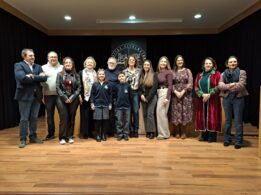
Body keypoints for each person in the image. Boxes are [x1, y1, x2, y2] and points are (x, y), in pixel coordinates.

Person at [14, 48, 47, 148]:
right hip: (24, 96)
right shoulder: (18, 65)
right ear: (24, 56)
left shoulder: (38, 66)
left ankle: (33, 136)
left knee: (34, 118)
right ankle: (23, 138)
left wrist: (32, 76)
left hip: (36, 96)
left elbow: (44, 78)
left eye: (33, 55)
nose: (33, 57)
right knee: (24, 118)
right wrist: (37, 77)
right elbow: (22, 78)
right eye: (30, 55)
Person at [218, 56, 249, 149]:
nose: (233, 63)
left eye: (234, 61)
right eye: (231, 62)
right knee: (228, 121)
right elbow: (220, 85)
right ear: (227, 64)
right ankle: (227, 139)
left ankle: (239, 141)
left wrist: (228, 87)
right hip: (227, 99)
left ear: (237, 63)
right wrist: (230, 85)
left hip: (238, 99)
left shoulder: (242, 72)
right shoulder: (223, 74)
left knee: (238, 121)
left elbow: (242, 85)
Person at [194, 57, 221, 142]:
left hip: (213, 99)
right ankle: (204, 135)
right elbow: (196, 87)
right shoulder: (199, 75)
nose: (208, 65)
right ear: (203, 65)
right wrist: (202, 94)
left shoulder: (217, 74)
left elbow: (218, 86)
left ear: (213, 65)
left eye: (210, 63)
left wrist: (210, 94)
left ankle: (212, 136)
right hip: (201, 99)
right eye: (206, 63)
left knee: (212, 117)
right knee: (203, 116)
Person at [56, 57, 81, 144]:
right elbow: (57, 87)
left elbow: (79, 88)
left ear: (72, 64)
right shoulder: (59, 74)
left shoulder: (76, 75)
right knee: (64, 117)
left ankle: (70, 136)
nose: (68, 64)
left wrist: (72, 97)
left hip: (73, 99)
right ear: (63, 64)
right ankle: (62, 137)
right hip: (61, 99)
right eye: (66, 62)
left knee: (71, 117)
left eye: (69, 62)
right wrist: (65, 98)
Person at [170, 55, 193, 139]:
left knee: (184, 113)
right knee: (176, 113)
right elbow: (170, 84)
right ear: (175, 62)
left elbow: (190, 83)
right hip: (175, 96)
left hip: (185, 96)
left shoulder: (188, 71)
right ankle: (176, 132)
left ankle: (184, 132)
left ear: (183, 61)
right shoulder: (172, 71)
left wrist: (183, 91)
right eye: (178, 60)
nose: (180, 62)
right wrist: (175, 92)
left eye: (181, 60)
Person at [42, 51, 63, 140]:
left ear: (57, 58)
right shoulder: (43, 67)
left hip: (60, 95)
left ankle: (62, 134)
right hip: (48, 95)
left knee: (62, 114)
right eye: (51, 57)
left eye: (55, 57)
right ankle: (51, 133)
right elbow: (40, 82)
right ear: (48, 58)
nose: (53, 58)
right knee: (50, 116)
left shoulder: (62, 67)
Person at [90, 69, 112, 142]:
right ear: (97, 75)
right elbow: (92, 95)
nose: (101, 75)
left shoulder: (108, 84)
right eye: (100, 74)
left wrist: (110, 103)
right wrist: (92, 103)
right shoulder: (95, 84)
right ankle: (98, 135)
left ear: (105, 75)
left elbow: (110, 95)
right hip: (97, 105)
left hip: (106, 105)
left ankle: (103, 134)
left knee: (105, 121)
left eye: (103, 74)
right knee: (98, 121)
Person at [78, 56, 97, 139]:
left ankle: (91, 132)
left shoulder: (95, 73)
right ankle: (84, 133)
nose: (89, 63)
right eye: (88, 62)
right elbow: (78, 86)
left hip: (93, 97)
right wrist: (79, 95)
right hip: (84, 97)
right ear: (85, 64)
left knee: (92, 115)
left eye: (91, 62)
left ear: (94, 64)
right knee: (84, 115)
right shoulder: (81, 72)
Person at [123, 55, 141, 138]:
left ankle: (135, 130)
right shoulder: (124, 71)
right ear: (128, 61)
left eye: (133, 60)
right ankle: (129, 130)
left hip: (135, 93)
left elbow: (141, 83)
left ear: (135, 62)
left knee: (136, 112)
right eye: (130, 60)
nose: (131, 61)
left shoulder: (139, 71)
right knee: (128, 113)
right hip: (127, 94)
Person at [139, 60, 158, 139]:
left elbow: (154, 88)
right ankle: (148, 131)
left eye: (148, 65)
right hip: (143, 98)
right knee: (145, 114)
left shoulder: (154, 75)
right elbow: (139, 88)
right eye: (145, 65)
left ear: (150, 66)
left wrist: (148, 98)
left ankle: (152, 132)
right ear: (143, 66)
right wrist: (141, 95)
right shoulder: (141, 75)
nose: (146, 66)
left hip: (152, 97)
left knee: (150, 114)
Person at [156, 56, 173, 140]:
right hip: (159, 92)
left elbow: (170, 86)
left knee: (161, 113)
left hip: (165, 92)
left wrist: (167, 97)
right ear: (159, 63)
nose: (163, 63)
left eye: (164, 62)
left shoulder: (168, 72)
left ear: (167, 64)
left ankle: (163, 134)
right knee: (161, 113)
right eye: (161, 61)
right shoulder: (158, 72)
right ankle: (165, 133)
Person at [115, 72, 132, 141]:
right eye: (120, 76)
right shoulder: (117, 86)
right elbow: (115, 96)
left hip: (127, 107)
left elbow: (130, 96)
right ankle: (119, 134)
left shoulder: (128, 86)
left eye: (122, 76)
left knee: (127, 121)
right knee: (119, 121)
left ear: (125, 77)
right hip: (118, 107)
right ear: (118, 78)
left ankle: (126, 134)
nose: (121, 77)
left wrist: (130, 105)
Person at [105, 57, 120, 136]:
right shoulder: (104, 72)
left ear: (116, 64)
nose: (111, 64)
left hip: (116, 97)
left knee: (115, 115)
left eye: (113, 63)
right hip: (105, 97)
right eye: (110, 62)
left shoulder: (118, 73)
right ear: (107, 63)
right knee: (107, 115)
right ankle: (107, 131)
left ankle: (115, 131)